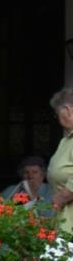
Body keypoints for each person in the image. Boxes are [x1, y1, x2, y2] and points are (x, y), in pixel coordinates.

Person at [48, 87, 73, 233]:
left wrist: (62, 197)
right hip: (64, 219)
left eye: (57, 113)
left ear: (68, 110)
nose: (57, 118)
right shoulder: (66, 140)